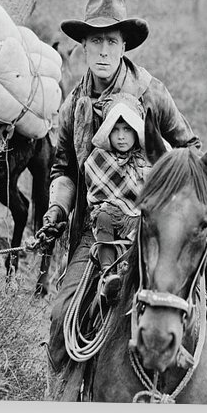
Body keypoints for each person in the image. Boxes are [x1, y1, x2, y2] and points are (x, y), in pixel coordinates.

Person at [40, 0, 207, 397]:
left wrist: (166, 187)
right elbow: (62, 167)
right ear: (83, 45)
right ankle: (61, 405)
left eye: (111, 41)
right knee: (63, 316)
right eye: (95, 40)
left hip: (160, 227)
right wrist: (57, 211)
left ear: (123, 46)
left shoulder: (151, 92)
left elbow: (191, 148)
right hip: (97, 229)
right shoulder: (72, 106)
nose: (102, 50)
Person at [84, 93, 150, 301]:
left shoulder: (150, 159)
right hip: (111, 218)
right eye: (116, 130)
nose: (121, 136)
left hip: (143, 219)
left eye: (127, 129)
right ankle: (108, 274)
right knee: (103, 216)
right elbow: (97, 195)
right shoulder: (99, 158)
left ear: (136, 131)